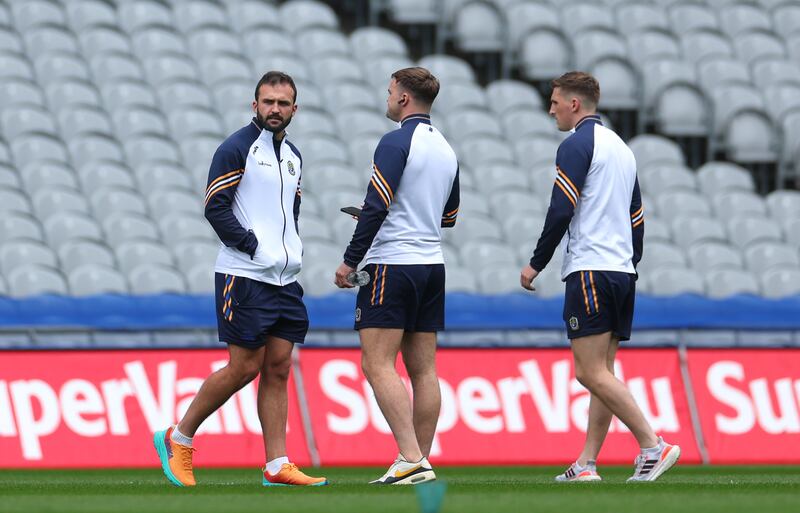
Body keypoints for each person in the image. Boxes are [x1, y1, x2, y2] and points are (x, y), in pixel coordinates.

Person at [153, 71, 326, 487]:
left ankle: (276, 464)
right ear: (255, 105)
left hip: (285, 279)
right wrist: (254, 248)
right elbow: (216, 207)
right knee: (245, 366)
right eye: (268, 102)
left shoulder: (294, 156)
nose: (275, 110)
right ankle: (178, 438)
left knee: (280, 367)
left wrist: (290, 252)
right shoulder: (236, 148)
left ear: (294, 110)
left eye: (283, 104)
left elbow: (290, 212)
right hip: (244, 275)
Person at [519, 71, 680, 483]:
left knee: (588, 372)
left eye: (556, 101)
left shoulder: (576, 144)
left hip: (590, 267)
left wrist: (536, 262)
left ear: (575, 104)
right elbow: (637, 217)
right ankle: (587, 463)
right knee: (603, 372)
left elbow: (561, 208)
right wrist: (630, 262)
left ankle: (652, 444)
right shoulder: (623, 149)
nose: (550, 108)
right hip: (621, 270)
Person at [334, 67, 460, 485]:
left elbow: (377, 205)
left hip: (393, 263)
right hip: (431, 264)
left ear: (404, 98)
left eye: (390, 92)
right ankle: (418, 459)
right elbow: (450, 216)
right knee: (424, 370)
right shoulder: (446, 148)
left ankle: (409, 456)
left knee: (377, 362)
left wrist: (350, 261)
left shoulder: (394, 142)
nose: (387, 98)